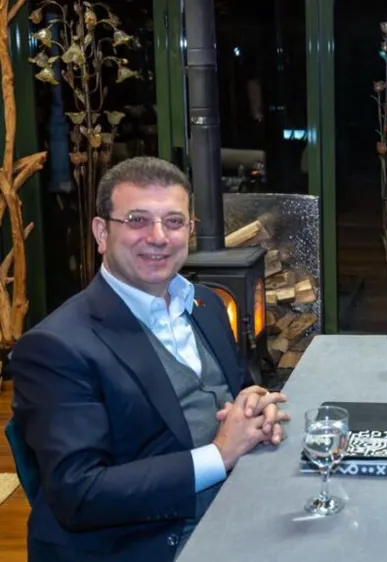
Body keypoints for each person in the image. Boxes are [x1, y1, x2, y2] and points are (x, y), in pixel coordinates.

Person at [8, 157, 290, 561]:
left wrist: (253, 405)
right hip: (145, 544)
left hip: (234, 507)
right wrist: (220, 454)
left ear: (189, 231)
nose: (158, 237)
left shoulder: (206, 304)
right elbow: (79, 493)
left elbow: (236, 390)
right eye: (137, 220)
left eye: (174, 222)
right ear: (102, 233)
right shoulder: (55, 347)